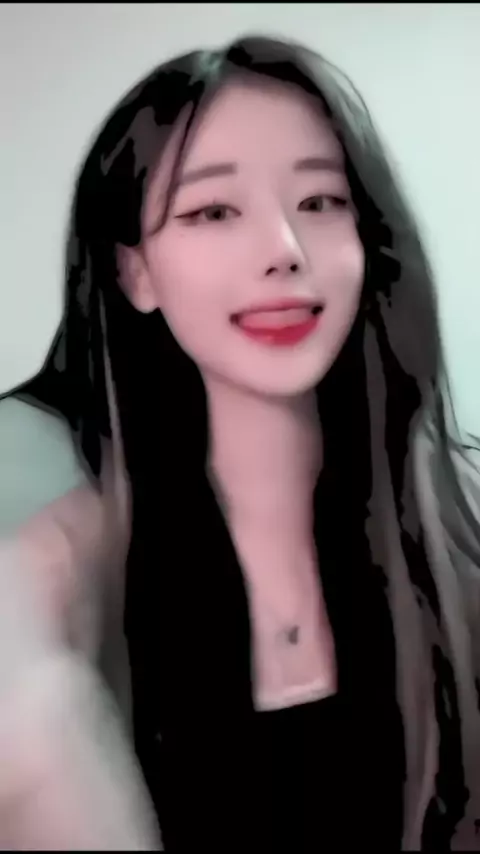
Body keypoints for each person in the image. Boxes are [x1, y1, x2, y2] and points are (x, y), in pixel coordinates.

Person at [1, 32, 480, 851]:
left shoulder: (458, 524)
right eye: (213, 211)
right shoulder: (56, 571)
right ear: (134, 273)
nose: (284, 252)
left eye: (321, 202)